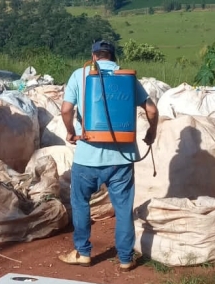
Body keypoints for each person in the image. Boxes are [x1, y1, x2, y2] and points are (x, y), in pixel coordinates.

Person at [58, 40, 158, 272]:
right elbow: (151, 110)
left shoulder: (80, 75)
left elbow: (66, 109)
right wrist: (151, 134)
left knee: (81, 203)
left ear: (93, 57)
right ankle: (125, 258)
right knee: (123, 208)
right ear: (113, 58)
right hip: (121, 159)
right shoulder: (126, 77)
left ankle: (83, 253)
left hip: (87, 157)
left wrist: (72, 133)